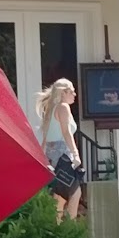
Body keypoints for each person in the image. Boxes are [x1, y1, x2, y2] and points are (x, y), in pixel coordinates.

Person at [35, 78, 84, 221]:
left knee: (60, 197)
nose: (74, 94)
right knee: (73, 193)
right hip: (63, 154)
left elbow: (45, 137)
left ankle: (59, 228)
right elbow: (66, 132)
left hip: (52, 155)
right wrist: (75, 154)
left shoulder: (51, 109)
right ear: (64, 93)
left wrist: (42, 157)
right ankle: (70, 227)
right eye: (72, 91)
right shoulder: (63, 107)